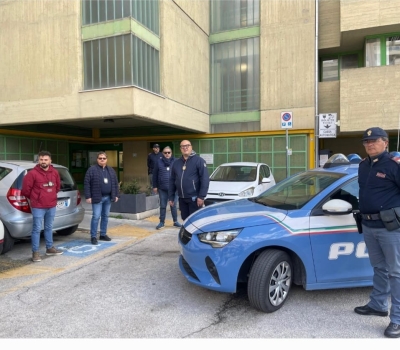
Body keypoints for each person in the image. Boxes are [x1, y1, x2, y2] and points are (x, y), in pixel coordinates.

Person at [355, 127, 400, 338]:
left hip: (391, 228)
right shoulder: (363, 166)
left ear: (385, 143)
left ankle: (397, 320)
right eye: (366, 141)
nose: (369, 144)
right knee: (379, 268)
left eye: (374, 140)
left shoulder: (394, 166)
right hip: (369, 226)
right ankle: (378, 305)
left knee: (396, 273)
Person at [21, 150, 63, 262]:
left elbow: (57, 187)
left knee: (49, 228)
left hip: (51, 205)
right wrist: (36, 198)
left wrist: (51, 196)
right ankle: (35, 252)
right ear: (38, 160)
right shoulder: (32, 174)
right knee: (36, 229)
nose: (43, 162)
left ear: (50, 160)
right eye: (41, 159)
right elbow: (25, 190)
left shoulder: (54, 172)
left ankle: (49, 248)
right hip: (38, 206)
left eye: (45, 160)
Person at [168, 140, 209, 221]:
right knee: (185, 219)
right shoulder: (176, 163)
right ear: (180, 149)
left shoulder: (199, 161)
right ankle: (187, 234)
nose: (185, 148)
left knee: (195, 221)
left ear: (191, 147)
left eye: (187, 145)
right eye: (183, 146)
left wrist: (201, 196)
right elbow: (172, 181)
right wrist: (171, 197)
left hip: (195, 198)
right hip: (182, 198)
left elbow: (205, 179)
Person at [84, 151, 119, 245]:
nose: (102, 160)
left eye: (104, 158)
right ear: (97, 159)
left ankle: (103, 234)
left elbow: (115, 183)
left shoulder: (111, 170)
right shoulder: (92, 170)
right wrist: (88, 196)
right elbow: (87, 183)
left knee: (105, 216)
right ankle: (93, 236)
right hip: (97, 197)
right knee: (96, 217)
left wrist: (116, 195)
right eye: (100, 158)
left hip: (108, 197)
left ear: (106, 159)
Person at [152, 146, 182, 229]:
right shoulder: (158, 162)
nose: (167, 154)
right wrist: (154, 186)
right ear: (163, 153)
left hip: (173, 189)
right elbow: (155, 175)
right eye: (165, 152)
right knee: (162, 206)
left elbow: (179, 174)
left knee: (173, 205)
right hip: (162, 188)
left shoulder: (176, 162)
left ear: (171, 153)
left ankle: (175, 221)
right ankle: (161, 222)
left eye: (169, 152)